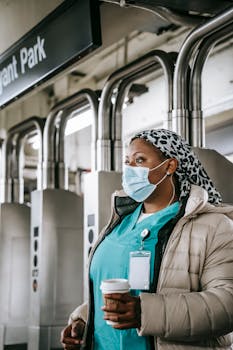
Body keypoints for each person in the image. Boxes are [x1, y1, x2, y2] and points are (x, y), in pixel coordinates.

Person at [61, 128, 233, 350]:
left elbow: (227, 303)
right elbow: (114, 289)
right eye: (128, 161)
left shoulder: (214, 227)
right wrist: (83, 320)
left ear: (170, 166)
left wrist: (145, 312)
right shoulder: (118, 224)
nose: (130, 169)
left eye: (139, 160)